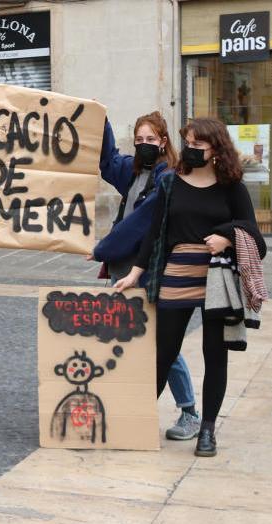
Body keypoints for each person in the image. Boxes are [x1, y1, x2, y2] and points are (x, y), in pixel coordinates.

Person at [114, 118, 266, 457]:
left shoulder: (232, 186)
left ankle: (207, 431)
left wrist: (226, 235)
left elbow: (255, 236)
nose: (191, 150)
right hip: (177, 274)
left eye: (198, 145)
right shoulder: (172, 183)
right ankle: (138, 420)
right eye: (188, 144)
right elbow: (154, 233)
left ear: (216, 149)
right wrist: (135, 273)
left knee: (215, 355)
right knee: (162, 353)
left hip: (217, 278)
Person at [93, 111, 201, 442]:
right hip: (124, 269)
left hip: (150, 272)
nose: (144, 145)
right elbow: (108, 160)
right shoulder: (134, 170)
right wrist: (103, 119)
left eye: (151, 140)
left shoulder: (167, 176)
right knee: (124, 339)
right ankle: (128, 405)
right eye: (139, 140)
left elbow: (142, 220)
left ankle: (189, 412)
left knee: (161, 343)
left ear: (164, 141)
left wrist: (102, 248)